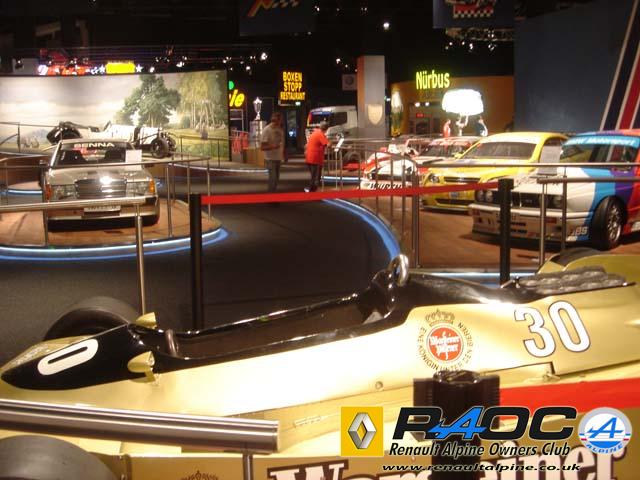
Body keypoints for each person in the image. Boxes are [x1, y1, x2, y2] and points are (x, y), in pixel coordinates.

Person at [260, 112, 284, 193]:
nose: (280, 122)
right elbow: (262, 147)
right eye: (279, 120)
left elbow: (281, 142)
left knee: (276, 179)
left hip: (278, 158)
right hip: (270, 159)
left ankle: (273, 195)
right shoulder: (267, 130)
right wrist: (273, 147)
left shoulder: (279, 129)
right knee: (272, 179)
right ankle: (271, 196)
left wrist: (283, 153)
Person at [305, 121, 330, 192]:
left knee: (314, 175)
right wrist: (330, 142)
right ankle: (312, 190)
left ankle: (313, 189)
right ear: (326, 129)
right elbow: (327, 144)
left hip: (309, 157)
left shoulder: (315, 132)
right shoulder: (320, 134)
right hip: (315, 158)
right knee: (315, 176)